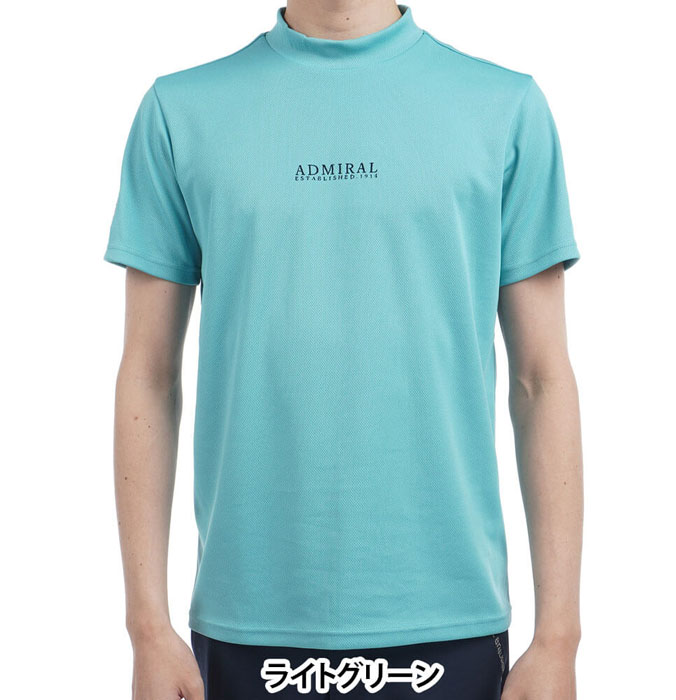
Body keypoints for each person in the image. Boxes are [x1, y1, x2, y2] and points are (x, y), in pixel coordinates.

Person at [104, 2, 584, 698]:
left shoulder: (505, 109)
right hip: (247, 625)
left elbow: (541, 379)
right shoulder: (180, 112)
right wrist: (147, 629)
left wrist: (560, 637)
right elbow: (148, 375)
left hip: (451, 619)